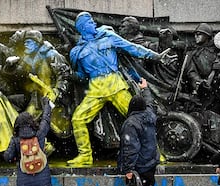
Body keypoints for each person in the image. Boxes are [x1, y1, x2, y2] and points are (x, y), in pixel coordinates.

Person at [67, 11, 169, 167]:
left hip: (115, 84)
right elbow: (82, 76)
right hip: (95, 89)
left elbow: (133, 48)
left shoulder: (108, 36)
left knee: (139, 119)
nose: (93, 23)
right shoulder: (76, 52)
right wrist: (69, 74)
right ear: (82, 27)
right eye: (89, 22)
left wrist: (157, 56)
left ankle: (155, 153)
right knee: (78, 119)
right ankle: (85, 156)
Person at [118, 78, 168, 186]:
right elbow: (150, 103)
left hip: (138, 167)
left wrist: (128, 170)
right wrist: (145, 89)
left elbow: (131, 148)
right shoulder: (150, 115)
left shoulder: (131, 123)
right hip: (150, 163)